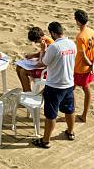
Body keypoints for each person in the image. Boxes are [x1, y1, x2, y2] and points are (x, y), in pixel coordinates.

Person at [32, 21, 76, 149]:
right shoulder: (72, 44)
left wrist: (43, 50)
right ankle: (70, 132)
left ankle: (45, 141)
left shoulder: (54, 47)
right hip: (68, 83)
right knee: (69, 110)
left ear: (52, 33)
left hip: (54, 86)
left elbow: (43, 63)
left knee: (51, 115)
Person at [74, 9, 94, 123]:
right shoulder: (92, 32)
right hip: (89, 67)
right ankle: (84, 115)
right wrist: (93, 64)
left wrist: (90, 65)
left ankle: (71, 113)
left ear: (77, 21)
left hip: (80, 68)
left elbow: (83, 55)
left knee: (70, 89)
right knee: (86, 89)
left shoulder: (80, 36)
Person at [16, 26, 53, 92]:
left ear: (39, 38)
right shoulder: (46, 40)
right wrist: (32, 56)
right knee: (18, 67)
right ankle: (26, 90)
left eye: (36, 41)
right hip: (45, 67)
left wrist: (42, 50)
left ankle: (27, 92)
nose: (36, 43)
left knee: (23, 71)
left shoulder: (50, 45)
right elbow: (44, 54)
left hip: (48, 71)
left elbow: (41, 63)